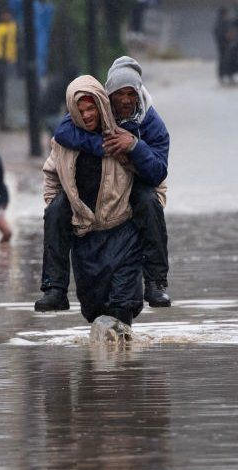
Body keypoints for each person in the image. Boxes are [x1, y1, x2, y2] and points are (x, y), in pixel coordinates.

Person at [36, 56, 170, 312]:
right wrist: (103, 146)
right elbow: (63, 133)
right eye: (119, 94)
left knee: (148, 203)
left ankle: (156, 282)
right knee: (55, 211)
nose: (126, 101)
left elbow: (158, 173)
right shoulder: (93, 110)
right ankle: (54, 288)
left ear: (139, 93)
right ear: (108, 97)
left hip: (134, 191)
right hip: (90, 208)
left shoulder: (152, 124)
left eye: (131, 94)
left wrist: (134, 146)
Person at [42, 75, 144, 325]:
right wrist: (57, 208)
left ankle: (156, 284)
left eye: (91, 108)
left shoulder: (124, 135)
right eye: (80, 111)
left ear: (101, 105)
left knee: (122, 308)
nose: (87, 115)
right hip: (86, 235)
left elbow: (153, 175)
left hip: (123, 232)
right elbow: (51, 175)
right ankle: (54, 289)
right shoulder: (64, 141)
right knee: (95, 310)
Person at [214, 7, 238, 85]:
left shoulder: (227, 22)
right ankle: (223, 78)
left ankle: (229, 78)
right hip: (224, 46)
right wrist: (226, 38)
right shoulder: (220, 23)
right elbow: (219, 35)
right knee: (224, 62)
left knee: (229, 62)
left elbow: (237, 23)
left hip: (228, 46)